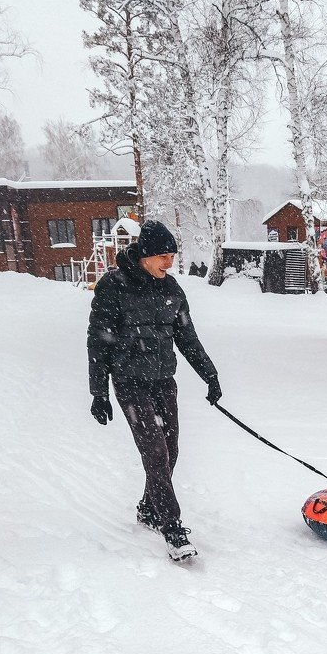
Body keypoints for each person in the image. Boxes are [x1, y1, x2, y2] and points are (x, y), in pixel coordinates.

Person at [87, 220, 222, 561]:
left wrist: (210, 375)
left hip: (163, 381)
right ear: (144, 255)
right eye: (163, 256)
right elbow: (98, 342)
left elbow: (187, 337)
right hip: (130, 384)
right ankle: (172, 528)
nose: (169, 263)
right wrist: (99, 392)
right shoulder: (114, 287)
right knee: (156, 455)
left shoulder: (171, 289)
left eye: (172, 256)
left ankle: (149, 509)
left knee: (170, 451)